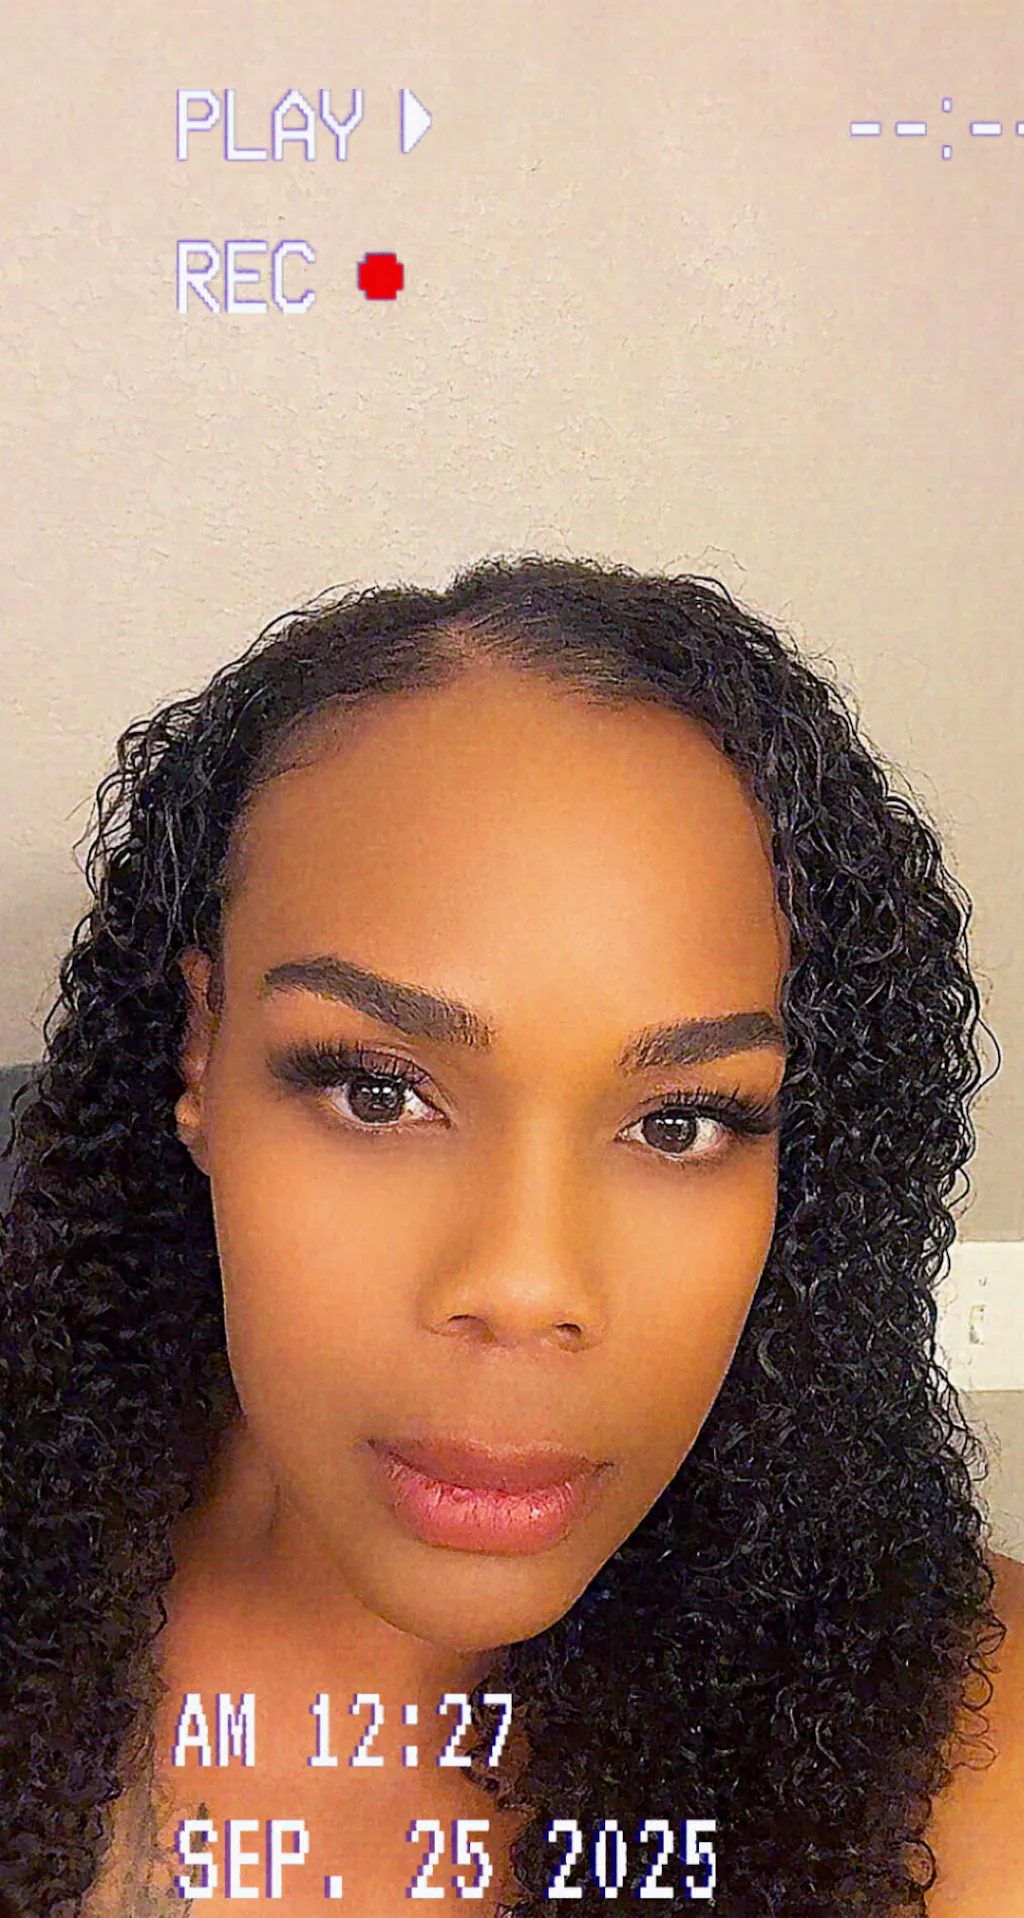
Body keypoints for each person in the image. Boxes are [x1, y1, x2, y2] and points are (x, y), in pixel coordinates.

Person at [0, 554, 1020, 1918]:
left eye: (680, 1124)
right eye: (379, 1092)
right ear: (202, 1048)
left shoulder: (971, 1755)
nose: (526, 1285)